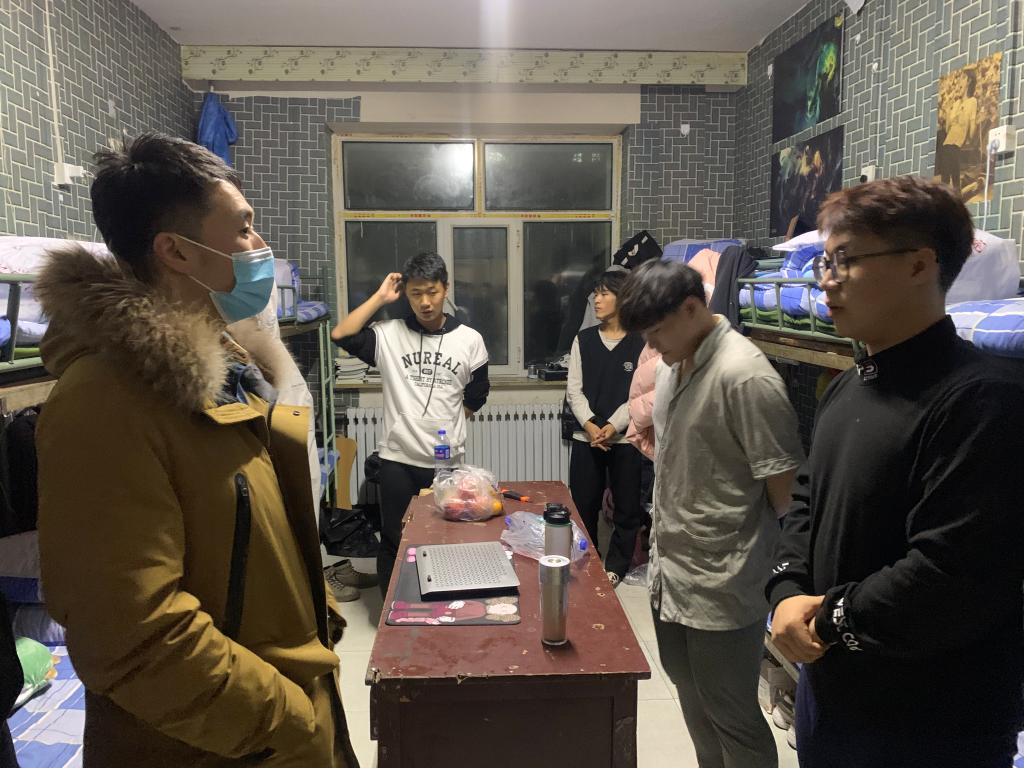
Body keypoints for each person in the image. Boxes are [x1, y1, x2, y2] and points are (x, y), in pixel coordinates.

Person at [34, 133, 358, 767]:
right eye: (242, 228)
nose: (259, 245)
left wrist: (315, 614)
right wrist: (290, 722)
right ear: (177, 250)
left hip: (272, 723)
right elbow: (135, 638)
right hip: (226, 745)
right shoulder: (104, 401)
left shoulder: (220, 374)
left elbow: (249, 534)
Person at [767, 176, 1024, 768]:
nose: (826, 280)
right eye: (825, 262)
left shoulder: (984, 399)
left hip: (931, 721)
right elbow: (805, 502)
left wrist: (825, 618)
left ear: (919, 265)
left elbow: (951, 573)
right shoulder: (849, 387)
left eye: (845, 260)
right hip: (833, 694)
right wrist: (785, 593)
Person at [618, 259, 803, 768]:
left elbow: (787, 498)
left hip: (722, 582)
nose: (652, 346)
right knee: (693, 701)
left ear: (691, 308)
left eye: (657, 332)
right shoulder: (673, 364)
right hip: (670, 572)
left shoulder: (745, 377)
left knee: (732, 715)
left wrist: (787, 584)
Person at [332, 253, 489, 596]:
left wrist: (446, 422)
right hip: (397, 458)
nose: (425, 302)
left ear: (446, 288)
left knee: (444, 536)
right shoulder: (389, 334)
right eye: (416, 293)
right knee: (395, 538)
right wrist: (379, 297)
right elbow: (341, 334)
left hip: (446, 461)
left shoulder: (470, 339)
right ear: (406, 294)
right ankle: (393, 610)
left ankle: (440, 603)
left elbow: (477, 394)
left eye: (432, 292)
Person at [565, 268, 646, 585]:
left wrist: (613, 425)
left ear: (623, 298)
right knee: (583, 504)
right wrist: (590, 426)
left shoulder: (641, 342)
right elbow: (574, 391)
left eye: (604, 294)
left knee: (627, 509)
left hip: (625, 439)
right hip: (586, 437)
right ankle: (587, 561)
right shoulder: (583, 340)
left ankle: (616, 566)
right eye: (595, 294)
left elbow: (639, 393)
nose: (596, 300)